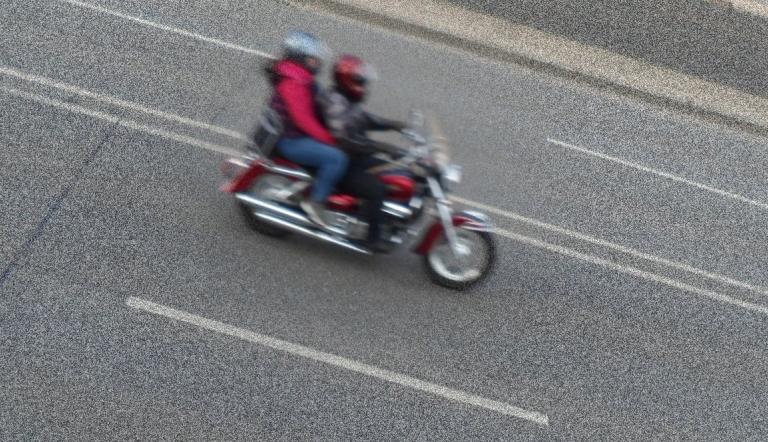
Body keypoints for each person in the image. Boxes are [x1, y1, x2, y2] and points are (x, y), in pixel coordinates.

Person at [317, 55, 407, 251]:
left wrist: (395, 125)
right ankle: (372, 238)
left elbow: (368, 119)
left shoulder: (346, 99)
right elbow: (345, 142)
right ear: (347, 81)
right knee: (376, 189)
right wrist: (383, 147)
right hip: (342, 164)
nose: (364, 85)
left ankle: (389, 219)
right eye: (360, 81)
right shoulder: (336, 105)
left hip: (354, 158)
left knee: (395, 171)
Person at [266, 31, 348, 228]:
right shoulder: (293, 82)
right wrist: (329, 139)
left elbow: (317, 104)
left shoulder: (300, 76)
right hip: (291, 140)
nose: (317, 63)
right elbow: (303, 120)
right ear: (300, 58)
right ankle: (316, 202)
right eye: (313, 59)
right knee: (337, 158)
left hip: (295, 134)